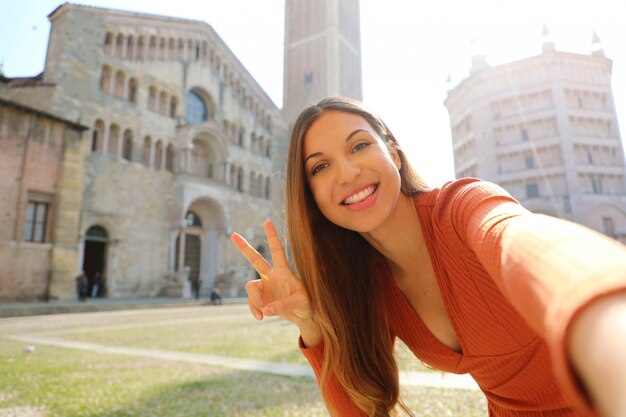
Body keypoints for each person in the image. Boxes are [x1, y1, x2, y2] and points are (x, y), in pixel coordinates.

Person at [230, 97, 626, 417]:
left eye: (360, 145)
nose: (347, 173)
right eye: (320, 166)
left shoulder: (463, 208)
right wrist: (311, 323)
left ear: (395, 154)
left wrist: (606, 309)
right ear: (312, 199)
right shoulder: (366, 283)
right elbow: (360, 409)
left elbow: (529, 243)